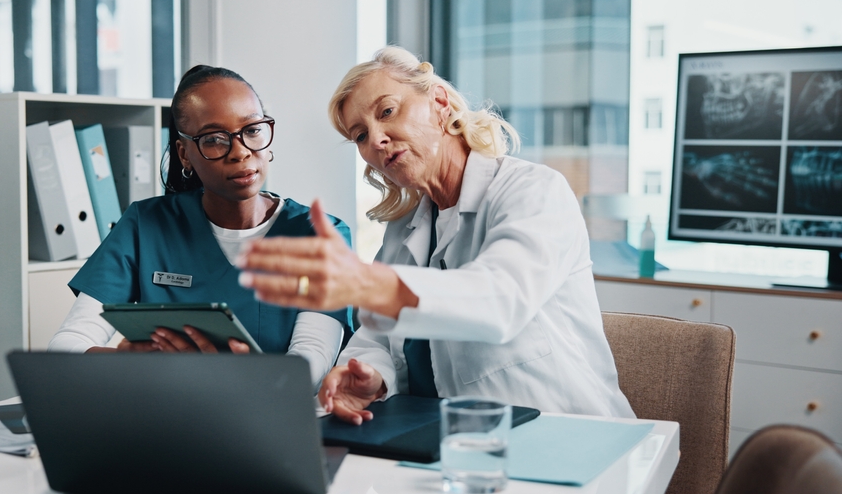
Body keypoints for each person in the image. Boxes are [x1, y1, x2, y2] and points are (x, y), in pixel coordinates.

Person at [237, 46, 634, 423]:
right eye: (359, 134)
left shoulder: (534, 191)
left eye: (387, 111)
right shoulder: (405, 231)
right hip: (464, 445)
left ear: (440, 103)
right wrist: (371, 377)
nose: (376, 140)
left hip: (572, 435)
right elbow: (378, 340)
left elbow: (501, 300)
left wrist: (373, 285)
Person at [49, 65, 352, 386]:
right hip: (171, 416)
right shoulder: (145, 225)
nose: (240, 152)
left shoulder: (319, 234)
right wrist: (130, 363)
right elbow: (66, 346)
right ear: (185, 154)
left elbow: (310, 364)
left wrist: (244, 373)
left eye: (252, 130)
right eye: (215, 139)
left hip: (270, 417)